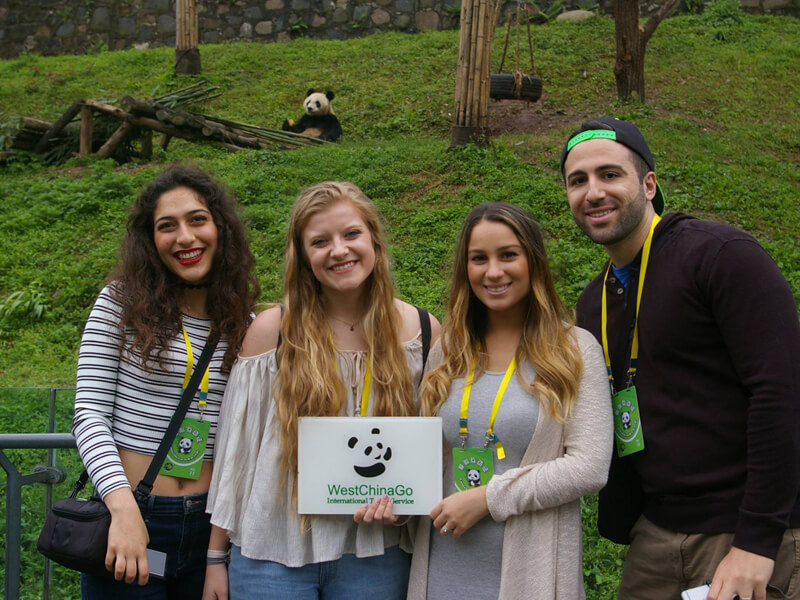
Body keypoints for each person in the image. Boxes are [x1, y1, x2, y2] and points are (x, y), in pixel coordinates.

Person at [560, 116, 800, 600]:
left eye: (610, 174)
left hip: (746, 531)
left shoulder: (720, 256)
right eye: (577, 181)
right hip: (657, 535)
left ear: (648, 184)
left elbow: (781, 393)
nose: (593, 192)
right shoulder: (595, 301)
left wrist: (757, 539)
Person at [206, 181, 441, 600]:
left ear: (373, 238)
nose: (339, 250)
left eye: (351, 234)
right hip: (272, 554)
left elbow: (436, 446)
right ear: (303, 255)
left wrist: (407, 510)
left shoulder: (421, 331)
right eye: (320, 241)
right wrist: (214, 559)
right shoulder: (272, 332)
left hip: (375, 555)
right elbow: (236, 455)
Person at [406, 202, 613, 600]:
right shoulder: (447, 349)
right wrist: (398, 502)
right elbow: (426, 457)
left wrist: (488, 498)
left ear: (532, 261)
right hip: (443, 570)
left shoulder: (573, 350)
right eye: (478, 259)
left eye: (508, 255)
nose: (493, 272)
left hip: (529, 573)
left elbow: (589, 468)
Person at [72, 165, 260, 599]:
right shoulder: (120, 303)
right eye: (166, 226)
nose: (185, 237)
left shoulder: (243, 323)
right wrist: (121, 509)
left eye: (197, 220)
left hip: (211, 532)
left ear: (219, 229)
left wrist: (218, 546)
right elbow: (89, 415)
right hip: (136, 517)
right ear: (150, 241)